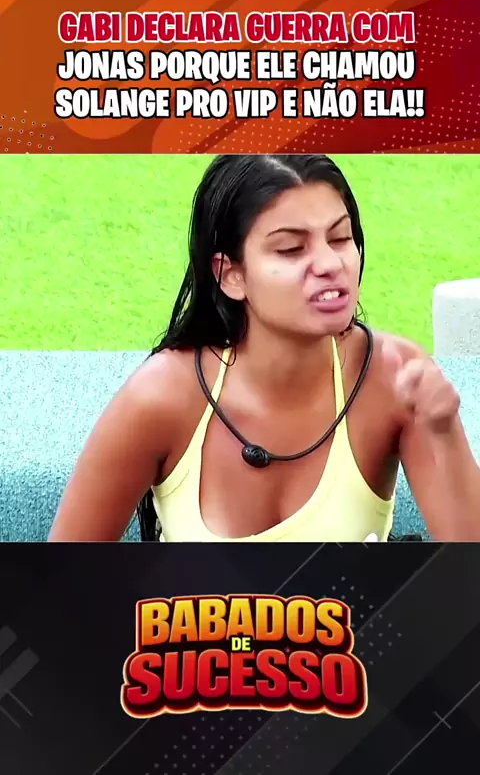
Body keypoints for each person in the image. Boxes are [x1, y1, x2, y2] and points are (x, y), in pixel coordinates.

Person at [49, 154, 480, 543]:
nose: (330, 264)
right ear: (230, 275)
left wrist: (443, 433)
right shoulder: (162, 397)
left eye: (340, 238)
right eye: (291, 249)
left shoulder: (393, 377)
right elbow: (57, 584)